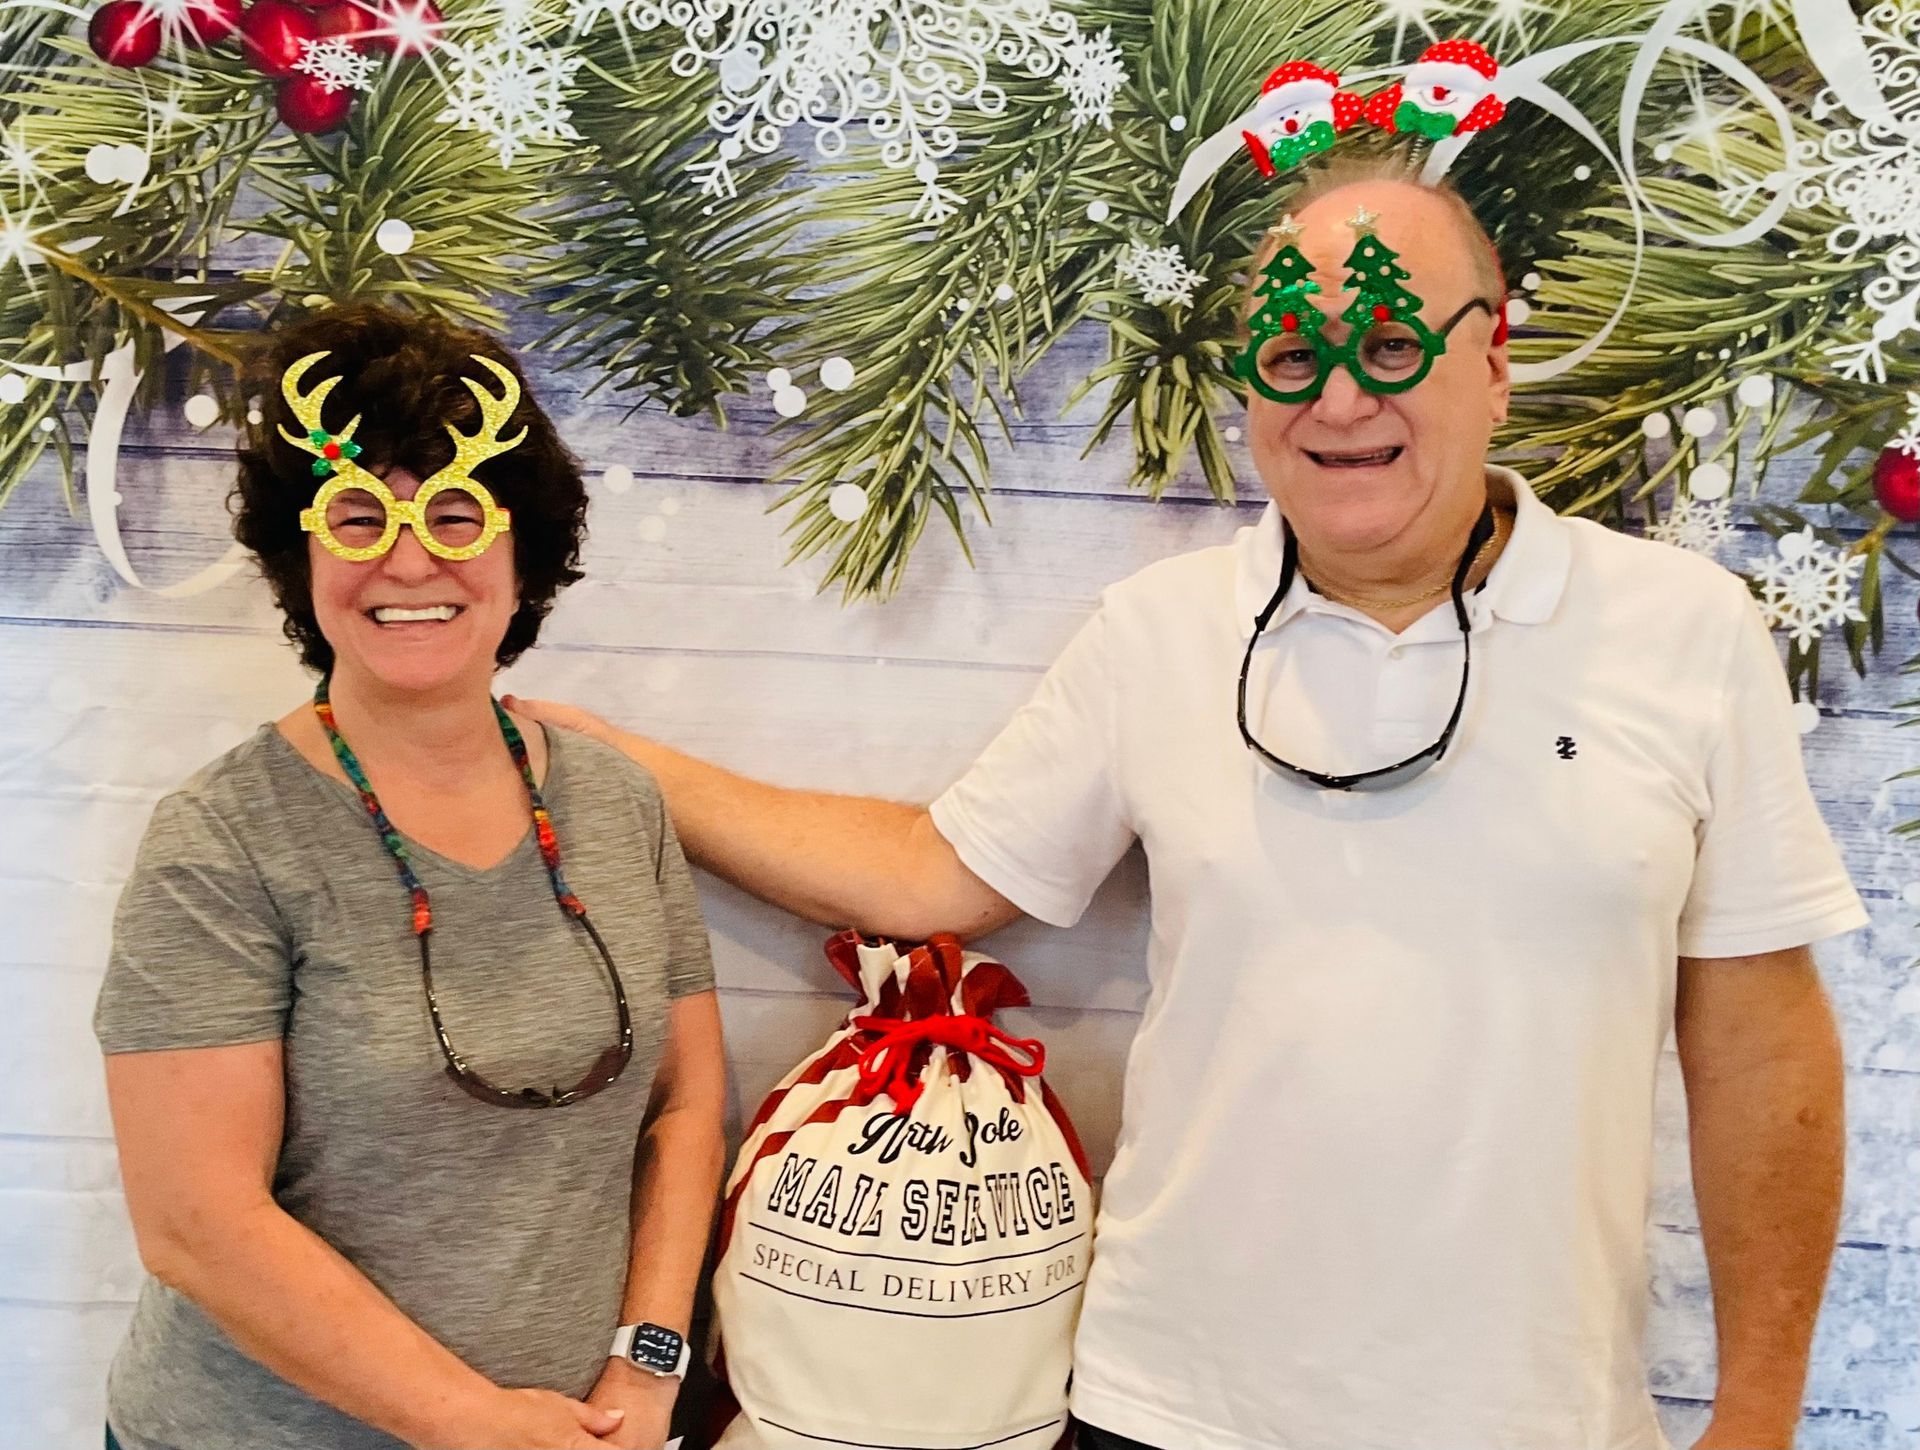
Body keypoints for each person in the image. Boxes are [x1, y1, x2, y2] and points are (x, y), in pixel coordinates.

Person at [515, 159, 1863, 1450]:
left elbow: (1761, 1047)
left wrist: (1754, 1413)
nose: (1339, 400)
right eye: (1290, 356)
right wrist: (600, 759)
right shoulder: (1162, 632)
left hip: (1540, 1417)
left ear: (1495, 362)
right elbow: (932, 873)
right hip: (1172, 1407)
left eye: (1391, 343)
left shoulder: (1683, 632)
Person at [94, 303, 725, 1450]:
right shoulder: (221, 842)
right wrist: (467, 1420)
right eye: (358, 516)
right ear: (302, 553)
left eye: (453, 511)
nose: (410, 559)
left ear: (522, 547)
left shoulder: (615, 801)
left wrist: (650, 1364)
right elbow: (196, 1221)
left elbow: (685, 1106)